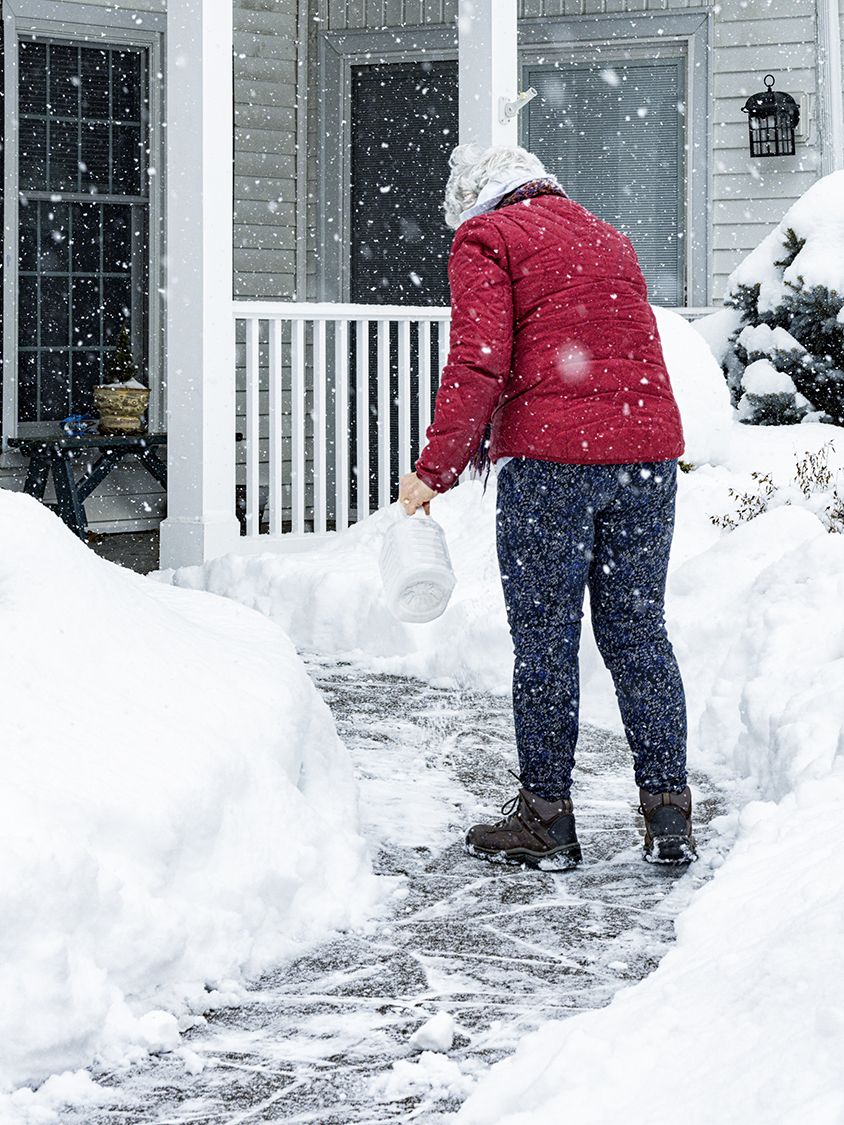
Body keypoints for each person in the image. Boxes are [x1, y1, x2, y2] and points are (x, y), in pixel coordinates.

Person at [398, 144, 695, 868]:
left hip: (553, 466)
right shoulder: (607, 234)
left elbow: (479, 360)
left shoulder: (486, 238)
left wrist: (433, 470)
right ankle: (668, 811)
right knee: (637, 631)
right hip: (645, 458)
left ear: (472, 201)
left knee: (546, 640)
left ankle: (546, 818)